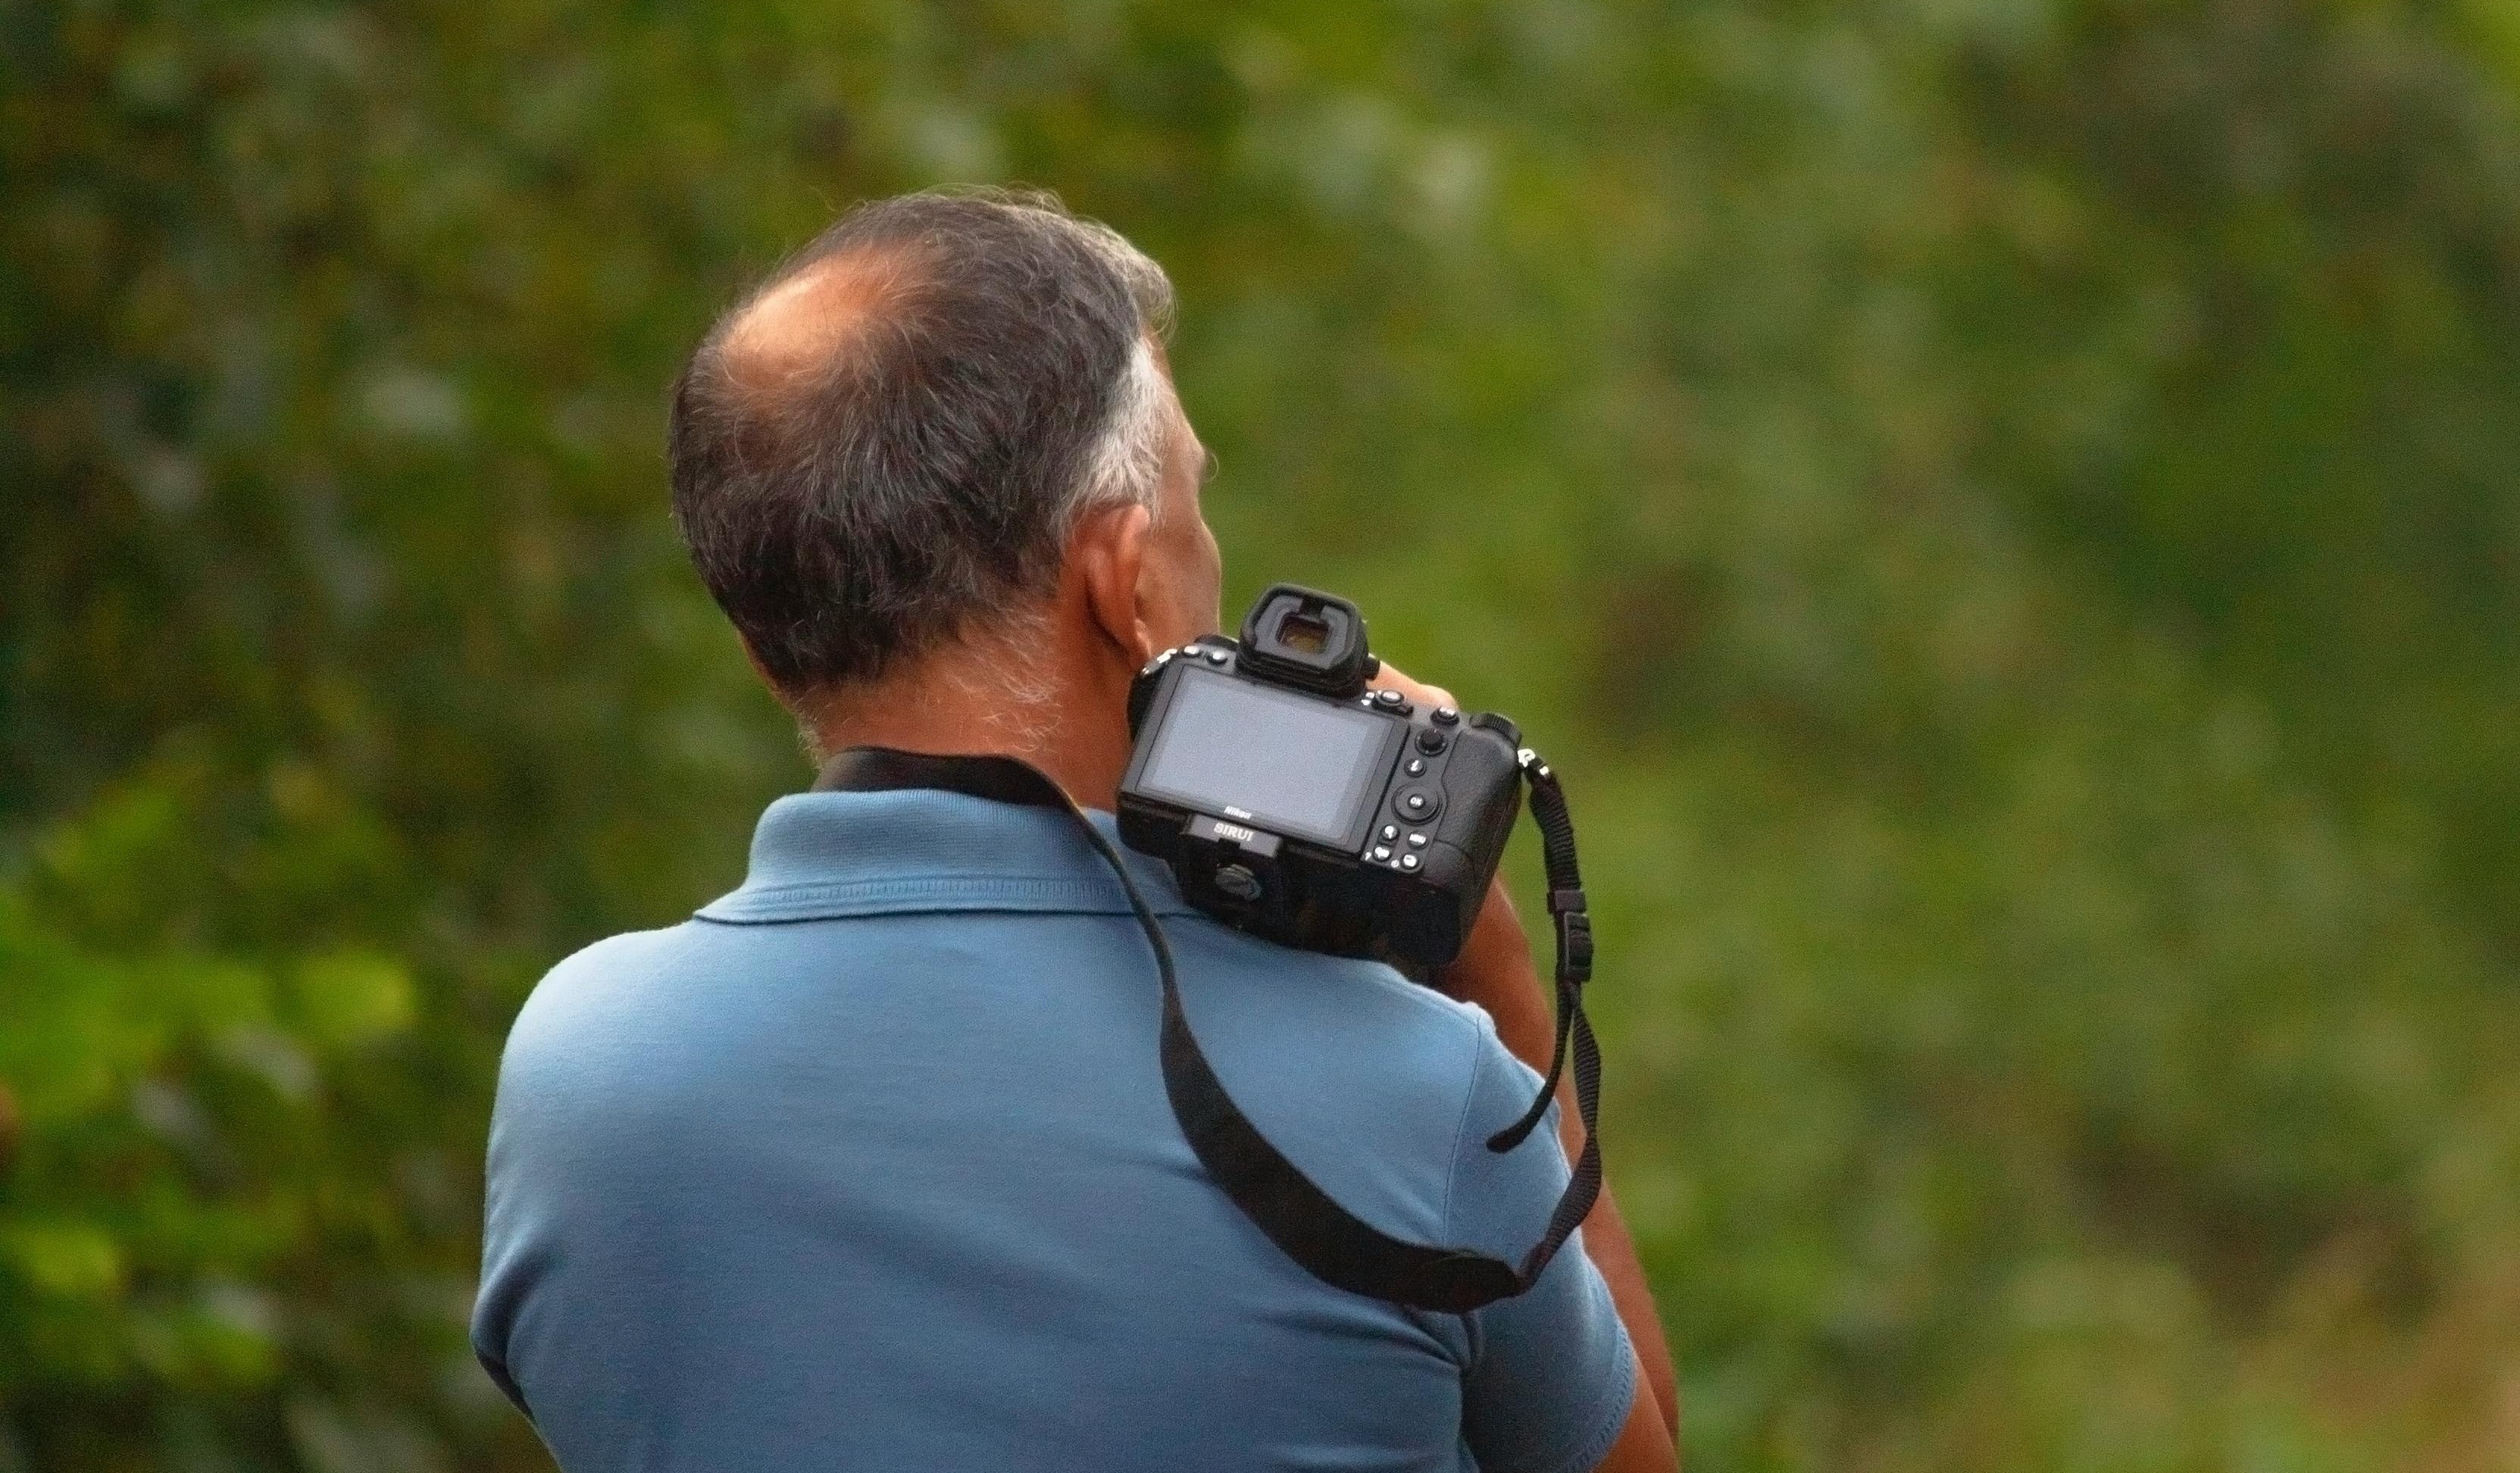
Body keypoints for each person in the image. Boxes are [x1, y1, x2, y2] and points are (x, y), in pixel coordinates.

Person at [472, 189, 1681, 1473]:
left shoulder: (581, 1070)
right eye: (1191, 499)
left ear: (762, 648)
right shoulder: (1416, 1092)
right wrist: (1493, 974)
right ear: (1129, 585)